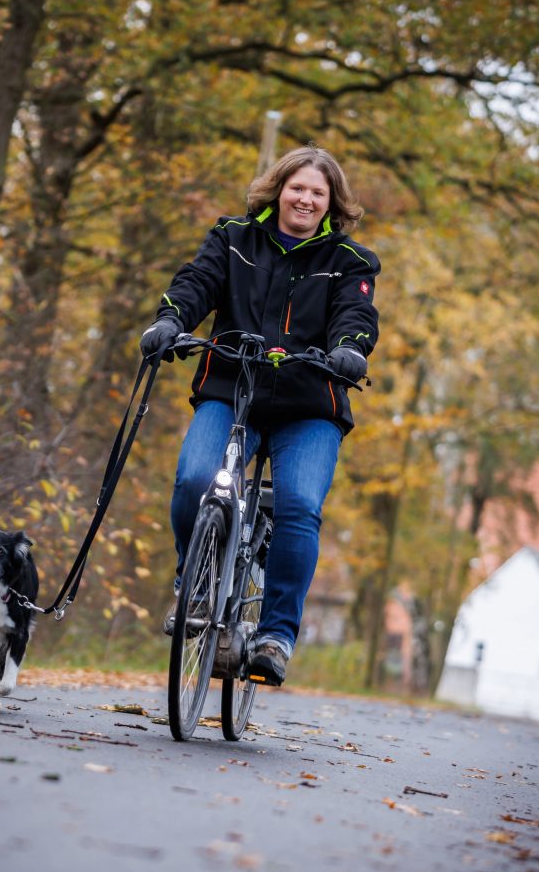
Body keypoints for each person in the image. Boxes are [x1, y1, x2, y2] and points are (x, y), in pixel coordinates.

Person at [139, 144, 381, 687]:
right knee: (198, 479)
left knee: (298, 506)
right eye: (298, 187)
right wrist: (170, 321)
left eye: (318, 192)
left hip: (309, 405)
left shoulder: (351, 261)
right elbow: (195, 283)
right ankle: (194, 584)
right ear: (278, 189)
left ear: (330, 203)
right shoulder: (233, 238)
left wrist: (350, 348)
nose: (306, 198)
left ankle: (275, 636)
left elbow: (356, 313)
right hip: (231, 388)